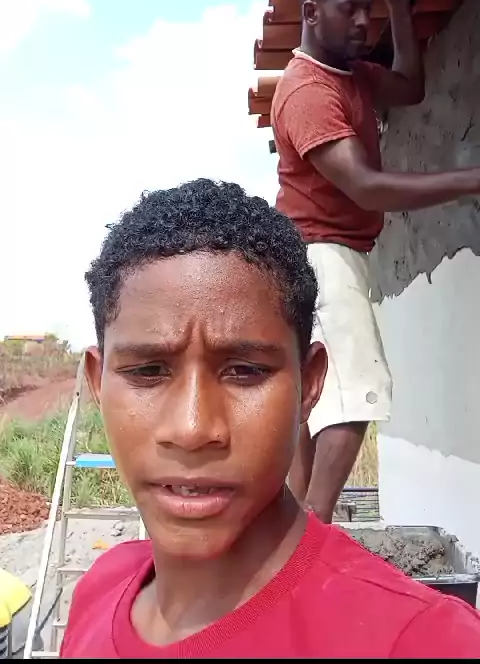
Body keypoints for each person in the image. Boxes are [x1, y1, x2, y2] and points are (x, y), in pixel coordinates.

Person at [60, 179, 480, 658]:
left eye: (245, 371)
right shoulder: (99, 591)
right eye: (148, 371)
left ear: (311, 384)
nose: (193, 429)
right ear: (97, 383)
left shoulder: (425, 641)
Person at [271, 0, 480, 523]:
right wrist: (470, 179)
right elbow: (365, 186)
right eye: (350, 10)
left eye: (368, 10)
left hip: (329, 253)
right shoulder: (307, 90)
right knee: (359, 388)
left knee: (315, 396)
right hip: (319, 254)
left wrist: (399, 11)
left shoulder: (353, 74)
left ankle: (298, 530)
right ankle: (315, 529)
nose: (364, 22)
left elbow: (410, 87)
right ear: (311, 13)